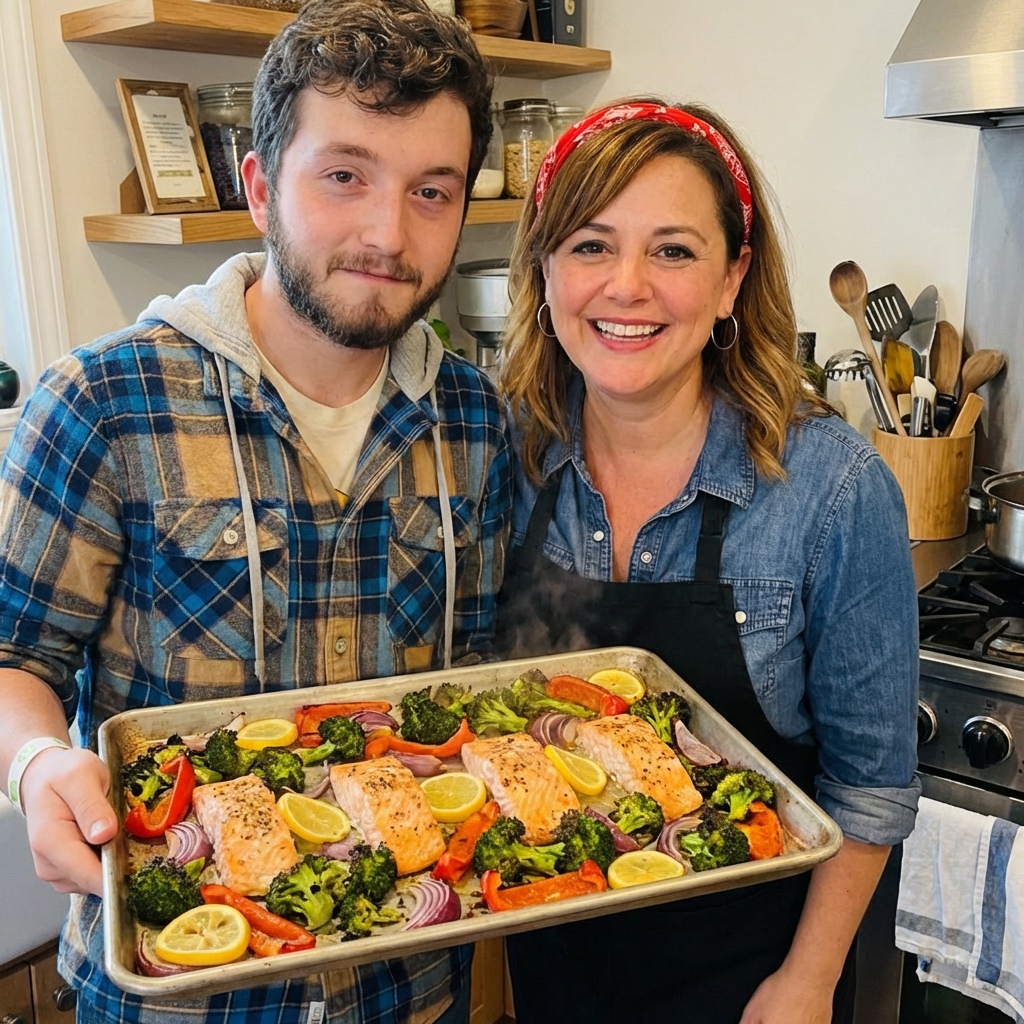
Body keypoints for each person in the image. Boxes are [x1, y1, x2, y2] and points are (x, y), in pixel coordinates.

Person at [0, 2, 510, 1022]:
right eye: (344, 176)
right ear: (261, 186)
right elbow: (14, 658)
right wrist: (37, 763)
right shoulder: (102, 402)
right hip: (178, 993)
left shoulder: (474, 418)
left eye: (431, 191)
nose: (387, 233)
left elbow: (478, 683)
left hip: (410, 988)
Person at [495, 100, 920, 1024]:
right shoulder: (504, 456)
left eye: (674, 251)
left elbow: (872, 786)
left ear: (732, 279)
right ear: (544, 271)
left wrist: (808, 982)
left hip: (755, 982)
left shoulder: (833, 489)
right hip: (551, 964)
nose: (628, 286)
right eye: (592, 245)